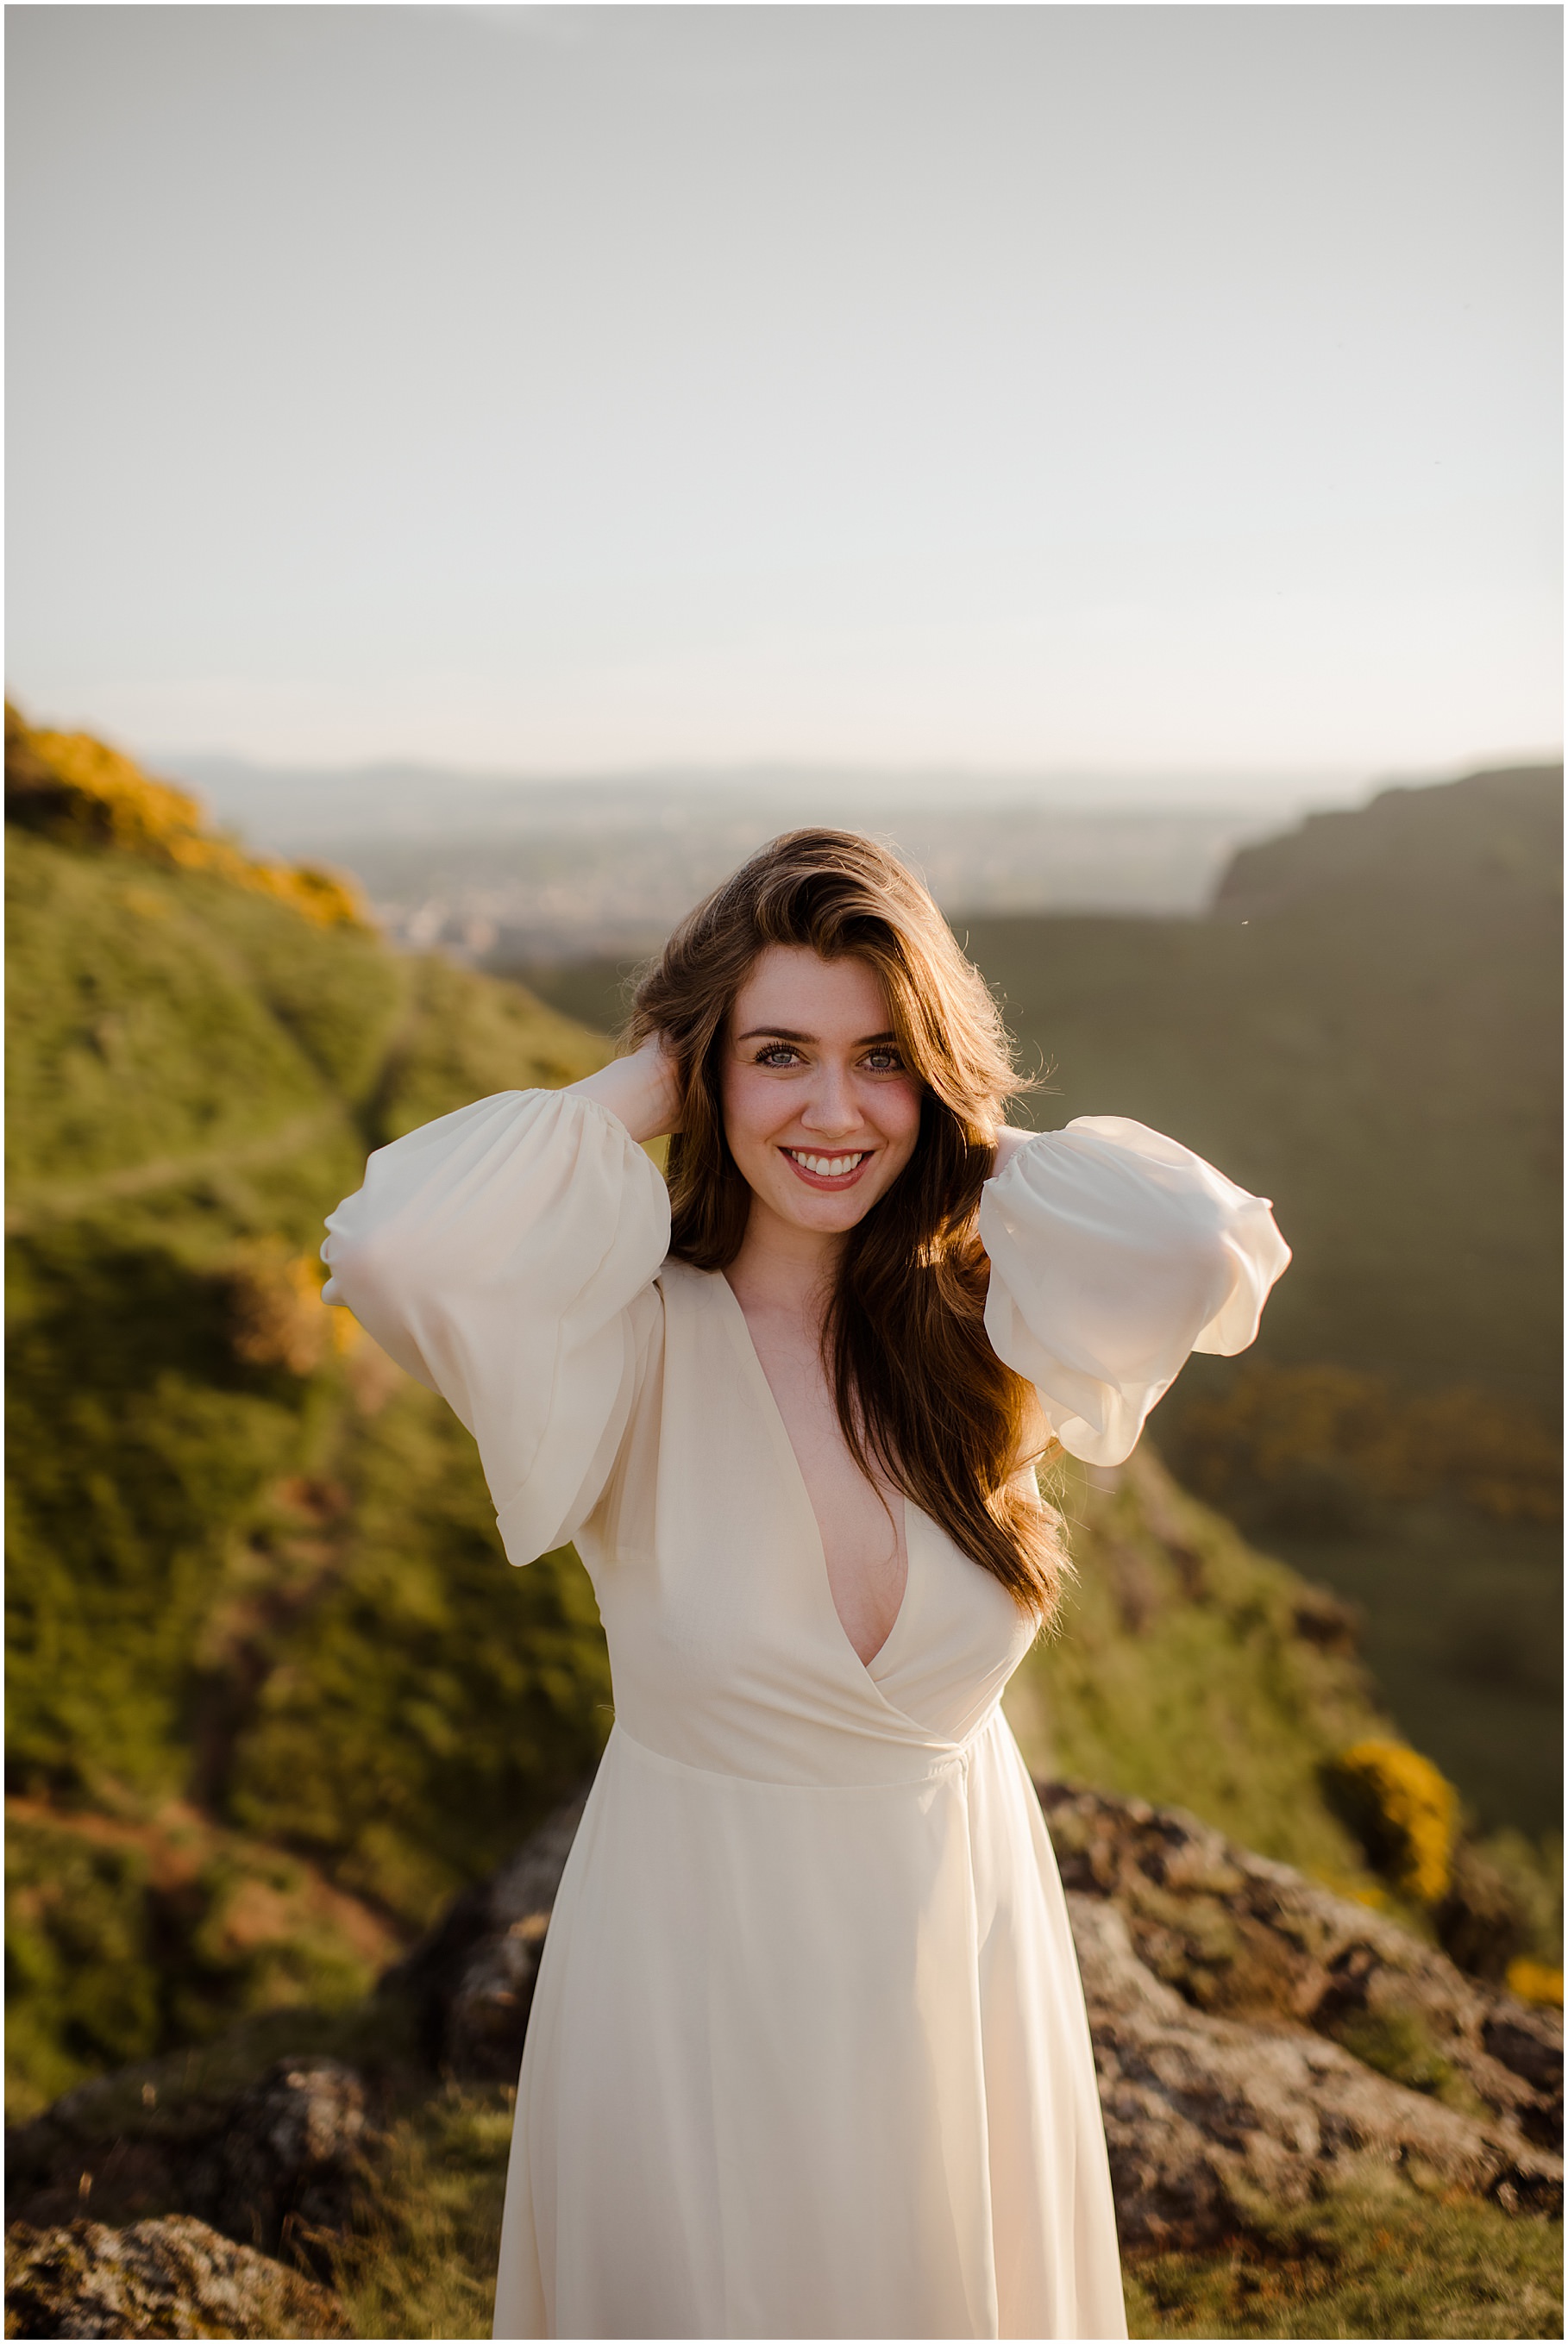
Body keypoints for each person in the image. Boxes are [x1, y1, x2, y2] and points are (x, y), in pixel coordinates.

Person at [322, 830, 1289, 2341]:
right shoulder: (626, 1344)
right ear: (706, 1070)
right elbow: (392, 1247)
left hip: (958, 1962)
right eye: (779, 1054)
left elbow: (1195, 1242)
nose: (833, 1110)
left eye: (879, 1058)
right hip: (690, 1968)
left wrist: (965, 1124)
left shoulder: (988, 1345)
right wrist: (653, 1076)